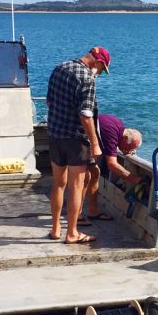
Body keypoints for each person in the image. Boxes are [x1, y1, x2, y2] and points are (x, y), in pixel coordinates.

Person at [46, 46, 110, 244]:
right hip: (75, 139)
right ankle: (72, 233)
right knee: (76, 185)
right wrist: (94, 143)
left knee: (58, 184)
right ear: (97, 62)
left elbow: (49, 102)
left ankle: (56, 228)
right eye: (101, 69)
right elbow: (86, 115)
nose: (99, 73)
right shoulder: (87, 79)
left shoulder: (60, 68)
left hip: (55, 134)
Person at [82, 114, 143, 221]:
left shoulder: (118, 124)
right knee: (85, 177)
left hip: (84, 139)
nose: (128, 151)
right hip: (80, 141)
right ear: (126, 138)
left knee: (94, 173)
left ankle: (91, 211)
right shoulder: (112, 135)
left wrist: (125, 149)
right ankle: (78, 215)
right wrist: (136, 179)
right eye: (129, 147)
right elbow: (112, 165)